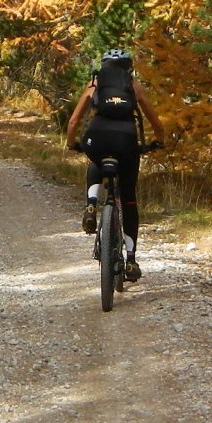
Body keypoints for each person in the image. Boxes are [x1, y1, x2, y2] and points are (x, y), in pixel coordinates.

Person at [64, 48, 165, 282]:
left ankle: (91, 204)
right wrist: (159, 141)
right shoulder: (133, 85)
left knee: (96, 157)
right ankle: (130, 259)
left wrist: (73, 143)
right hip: (127, 141)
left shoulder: (95, 83)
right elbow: (156, 122)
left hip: (97, 137)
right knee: (128, 199)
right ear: (128, 67)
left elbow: (74, 121)